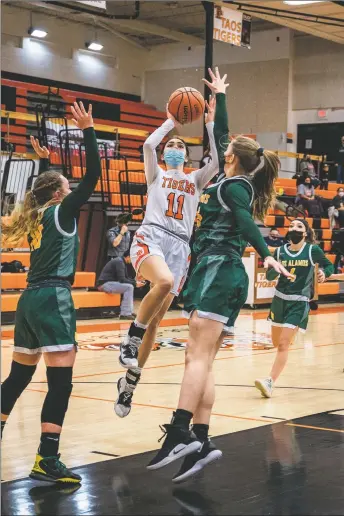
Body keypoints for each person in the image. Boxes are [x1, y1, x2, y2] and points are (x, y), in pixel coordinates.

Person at [146, 68, 292, 483]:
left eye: (227, 150)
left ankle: (179, 431)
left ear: (231, 158)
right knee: (203, 359)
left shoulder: (234, 187)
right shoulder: (233, 176)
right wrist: (220, 99)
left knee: (195, 355)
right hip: (216, 271)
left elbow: (246, 223)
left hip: (218, 267)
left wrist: (265, 254)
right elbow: (224, 135)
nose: (223, 149)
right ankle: (203, 440)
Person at [1, 102, 100, 484]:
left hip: (28, 302)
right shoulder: (63, 211)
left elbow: (47, 188)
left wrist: (45, 164)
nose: (72, 189)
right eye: (67, 187)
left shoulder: (38, 214)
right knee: (61, 383)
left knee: (16, 380)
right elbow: (92, 175)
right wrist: (88, 131)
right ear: (60, 195)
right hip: (54, 299)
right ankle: (47, 458)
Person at [114, 80, 219, 418]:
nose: (173, 145)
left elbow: (216, 161)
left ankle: (130, 382)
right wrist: (171, 121)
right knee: (159, 284)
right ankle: (130, 338)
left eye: (178, 144)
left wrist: (211, 124)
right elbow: (147, 145)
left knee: (157, 323)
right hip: (151, 237)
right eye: (170, 144)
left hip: (179, 249)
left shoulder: (194, 180)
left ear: (186, 155)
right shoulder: (156, 174)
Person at [255, 219, 334, 398]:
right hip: (279, 300)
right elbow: (269, 275)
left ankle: (270, 381)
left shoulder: (312, 250)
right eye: (291, 226)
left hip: (299, 302)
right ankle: (288, 336)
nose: (294, 229)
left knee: (283, 344)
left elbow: (328, 265)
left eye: (299, 226)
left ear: (305, 233)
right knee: (278, 343)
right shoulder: (280, 252)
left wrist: (324, 273)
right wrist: (278, 268)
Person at [97, 252, 143, 320]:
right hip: (104, 285)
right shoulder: (119, 262)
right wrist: (135, 284)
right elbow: (122, 279)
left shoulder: (121, 261)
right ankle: (125, 314)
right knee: (129, 287)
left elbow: (126, 278)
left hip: (110, 284)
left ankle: (128, 311)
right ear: (128, 256)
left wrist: (135, 282)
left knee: (130, 286)